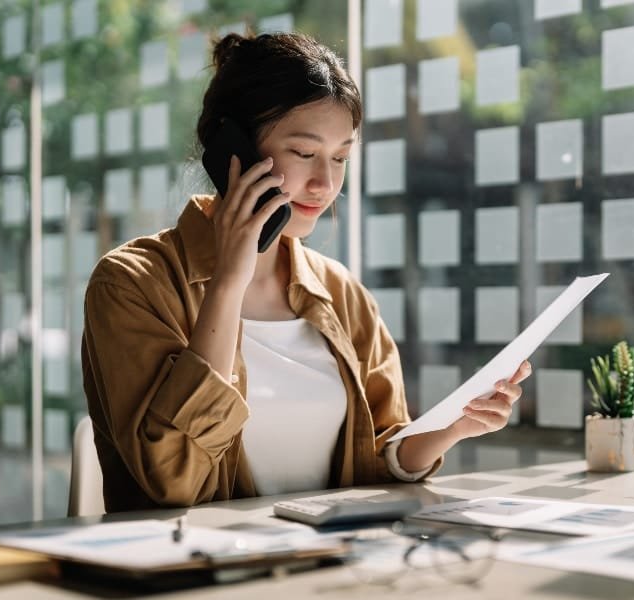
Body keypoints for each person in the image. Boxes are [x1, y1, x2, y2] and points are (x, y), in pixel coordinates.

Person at [81, 32, 531, 512]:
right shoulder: (131, 283)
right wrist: (230, 280)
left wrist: (452, 428)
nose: (325, 184)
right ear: (232, 149)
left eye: (340, 157)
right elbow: (172, 481)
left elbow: (374, 460)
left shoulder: (341, 294)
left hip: (325, 567)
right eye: (303, 153)